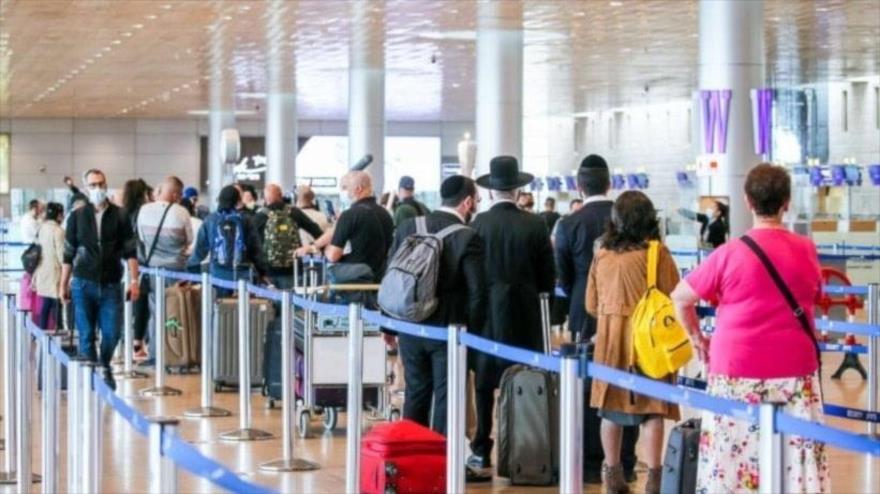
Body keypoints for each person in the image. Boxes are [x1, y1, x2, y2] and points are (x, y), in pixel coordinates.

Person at [671, 164, 829, 494]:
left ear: (747, 201)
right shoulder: (806, 250)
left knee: (731, 461)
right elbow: (816, 294)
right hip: (794, 371)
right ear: (787, 202)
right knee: (794, 460)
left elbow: (681, 297)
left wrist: (697, 338)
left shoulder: (728, 253)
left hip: (734, 370)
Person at [586, 191, 681, 494]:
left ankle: (612, 474)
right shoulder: (657, 253)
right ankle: (654, 478)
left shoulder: (602, 254)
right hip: (648, 344)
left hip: (610, 344)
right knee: (652, 410)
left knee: (609, 411)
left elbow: (590, 303)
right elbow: (674, 296)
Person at [468, 156, 555, 480]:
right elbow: (548, 277)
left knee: (483, 384)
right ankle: (522, 447)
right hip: (524, 316)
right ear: (518, 189)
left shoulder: (476, 225)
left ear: (491, 192)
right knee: (523, 379)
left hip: (485, 318)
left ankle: (481, 446)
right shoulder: (535, 224)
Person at [554, 154, 639, 483]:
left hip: (583, 313)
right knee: (628, 384)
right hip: (628, 316)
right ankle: (625, 461)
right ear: (611, 184)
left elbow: (562, 273)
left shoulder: (569, 223)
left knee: (588, 388)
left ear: (579, 186)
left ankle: (590, 462)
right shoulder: (626, 218)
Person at [388, 175, 487, 438]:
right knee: (447, 395)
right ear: (466, 202)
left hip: (409, 325)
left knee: (415, 391)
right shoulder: (467, 236)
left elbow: (390, 275)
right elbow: (478, 293)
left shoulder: (408, 226)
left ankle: (411, 454)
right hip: (449, 329)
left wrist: (389, 323)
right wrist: (473, 332)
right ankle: (442, 459)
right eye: (476, 199)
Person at [60, 169, 140, 391]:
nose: (98, 189)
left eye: (101, 184)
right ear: (86, 188)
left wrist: (134, 281)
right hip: (82, 282)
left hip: (111, 284)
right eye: (93, 185)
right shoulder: (76, 217)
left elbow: (130, 251)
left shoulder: (120, 215)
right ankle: (93, 374)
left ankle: (104, 363)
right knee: (85, 335)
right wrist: (63, 284)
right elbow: (68, 253)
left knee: (112, 332)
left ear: (106, 185)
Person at [295, 171, 393, 285]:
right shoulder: (385, 214)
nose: (342, 192)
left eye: (344, 187)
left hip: (354, 281)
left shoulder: (350, 214)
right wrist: (314, 245)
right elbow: (336, 230)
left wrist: (320, 249)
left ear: (358, 189)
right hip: (380, 279)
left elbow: (332, 256)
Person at [137, 176, 193, 365]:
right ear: (176, 194)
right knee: (175, 312)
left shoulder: (144, 210)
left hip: (152, 269)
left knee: (155, 312)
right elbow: (189, 240)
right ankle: (175, 353)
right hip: (177, 270)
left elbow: (142, 238)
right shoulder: (181, 212)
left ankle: (155, 354)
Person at [188, 185, 269, 294]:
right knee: (243, 308)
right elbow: (255, 250)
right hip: (242, 275)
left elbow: (199, 251)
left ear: (220, 199)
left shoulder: (210, 220)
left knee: (219, 307)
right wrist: (263, 272)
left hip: (218, 275)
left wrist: (192, 271)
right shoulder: (246, 220)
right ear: (237, 201)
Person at [254, 183, 324, 289]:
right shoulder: (293, 212)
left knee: (269, 303)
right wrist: (314, 247)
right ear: (281, 195)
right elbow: (315, 230)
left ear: (265, 198)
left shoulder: (260, 216)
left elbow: (253, 244)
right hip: (293, 268)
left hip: (268, 270)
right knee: (292, 301)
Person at [122, 178, 153, 359]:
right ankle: (138, 343)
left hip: (126, 263)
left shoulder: (124, 213)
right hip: (140, 263)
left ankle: (133, 343)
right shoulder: (143, 213)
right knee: (142, 304)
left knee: (132, 305)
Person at [33, 202, 65, 330]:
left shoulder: (42, 228)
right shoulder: (58, 231)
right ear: (58, 215)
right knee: (57, 307)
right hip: (55, 273)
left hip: (42, 271)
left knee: (45, 305)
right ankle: (60, 336)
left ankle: (42, 335)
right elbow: (62, 256)